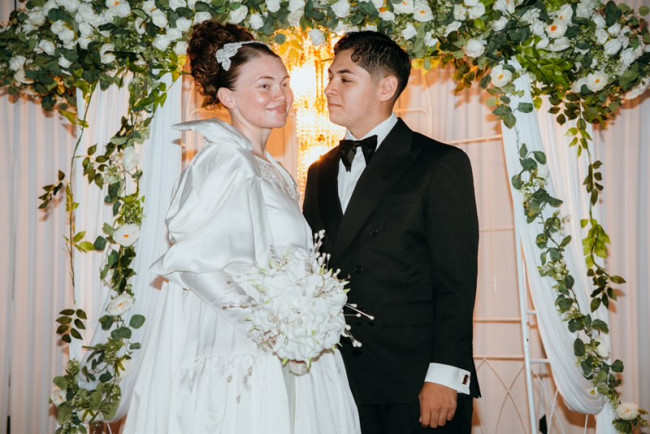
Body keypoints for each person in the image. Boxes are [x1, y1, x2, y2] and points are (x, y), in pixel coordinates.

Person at [123, 21, 360, 434]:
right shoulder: (224, 160)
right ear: (227, 97)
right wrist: (273, 329)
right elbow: (195, 266)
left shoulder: (275, 170)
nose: (281, 95)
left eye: (284, 84)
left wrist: (305, 320)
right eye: (264, 86)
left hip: (288, 346)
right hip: (242, 353)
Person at [303, 31, 480, 433]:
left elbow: (456, 280)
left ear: (386, 87)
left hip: (416, 382)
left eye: (345, 78)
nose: (329, 88)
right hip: (339, 380)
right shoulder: (318, 171)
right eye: (330, 77)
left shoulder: (439, 162)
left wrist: (445, 374)